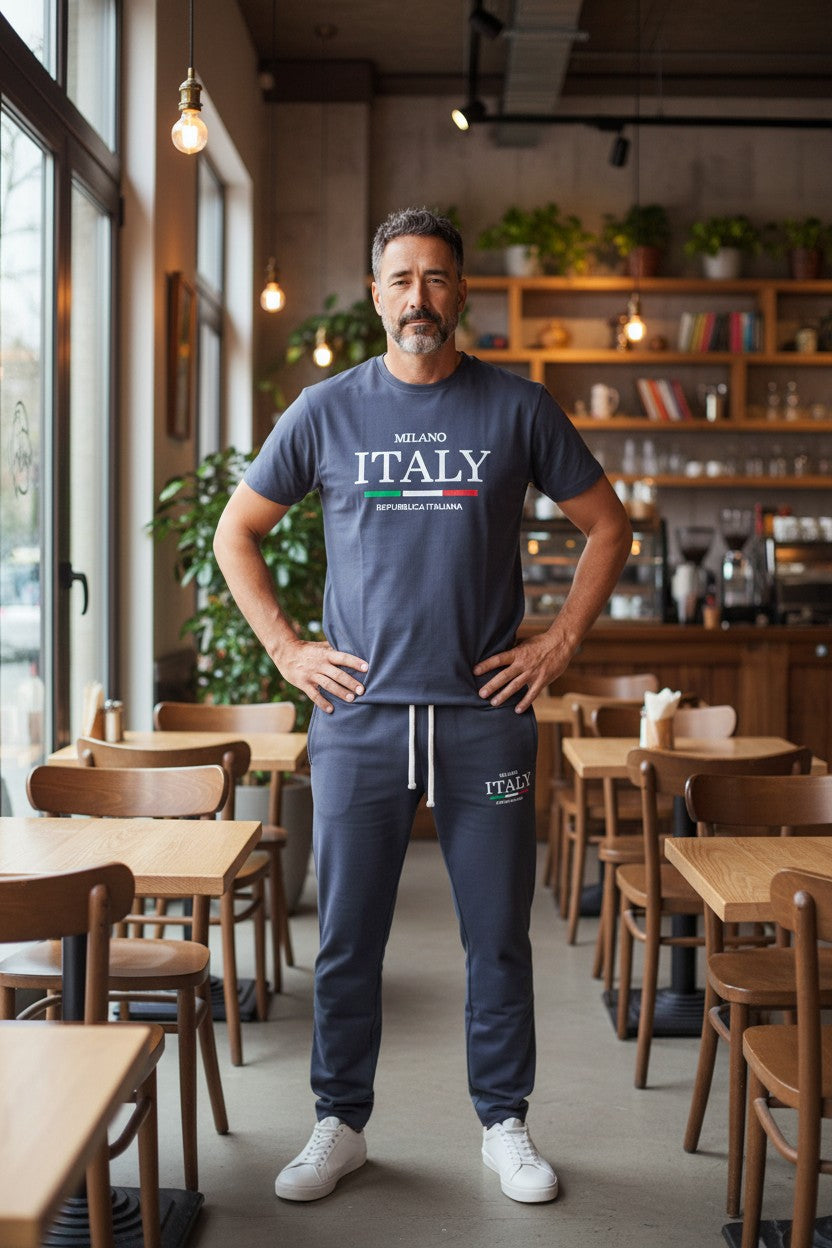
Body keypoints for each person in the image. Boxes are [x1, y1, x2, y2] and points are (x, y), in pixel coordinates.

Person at [213, 207, 632, 1205]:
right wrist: (285, 648)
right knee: (348, 935)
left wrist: (560, 643)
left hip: (482, 712)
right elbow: (239, 532)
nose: (419, 298)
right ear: (375, 294)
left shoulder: (518, 408)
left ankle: (505, 1125)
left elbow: (607, 526)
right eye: (401, 279)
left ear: (460, 293)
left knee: (496, 934)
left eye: (437, 279)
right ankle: (337, 1124)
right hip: (359, 716)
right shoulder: (324, 410)